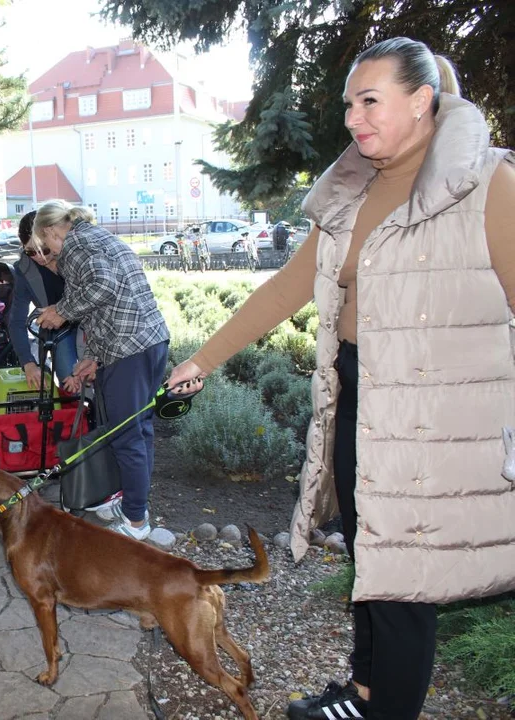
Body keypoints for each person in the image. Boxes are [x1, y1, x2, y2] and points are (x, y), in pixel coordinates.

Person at [166, 38, 515, 720]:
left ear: (422, 101)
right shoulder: (354, 189)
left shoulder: (490, 185)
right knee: (372, 561)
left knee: (405, 586)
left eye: (371, 100)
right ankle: (363, 693)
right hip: (360, 397)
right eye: (349, 103)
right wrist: (202, 359)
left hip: (439, 419)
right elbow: (288, 286)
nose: (354, 117)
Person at [33, 200, 171, 540]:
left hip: (129, 348)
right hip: (151, 341)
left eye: (44, 243)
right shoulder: (98, 237)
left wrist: (61, 311)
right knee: (140, 431)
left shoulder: (76, 244)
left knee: (126, 435)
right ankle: (133, 503)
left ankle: (136, 523)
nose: (48, 251)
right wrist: (93, 357)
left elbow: (103, 287)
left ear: (51, 230)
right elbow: (106, 305)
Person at [9, 210, 80, 388]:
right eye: (31, 251)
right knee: (69, 381)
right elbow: (16, 321)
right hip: (59, 330)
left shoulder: (77, 255)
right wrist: (28, 363)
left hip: (92, 324)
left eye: (45, 249)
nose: (40, 256)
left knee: (98, 379)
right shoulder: (24, 270)